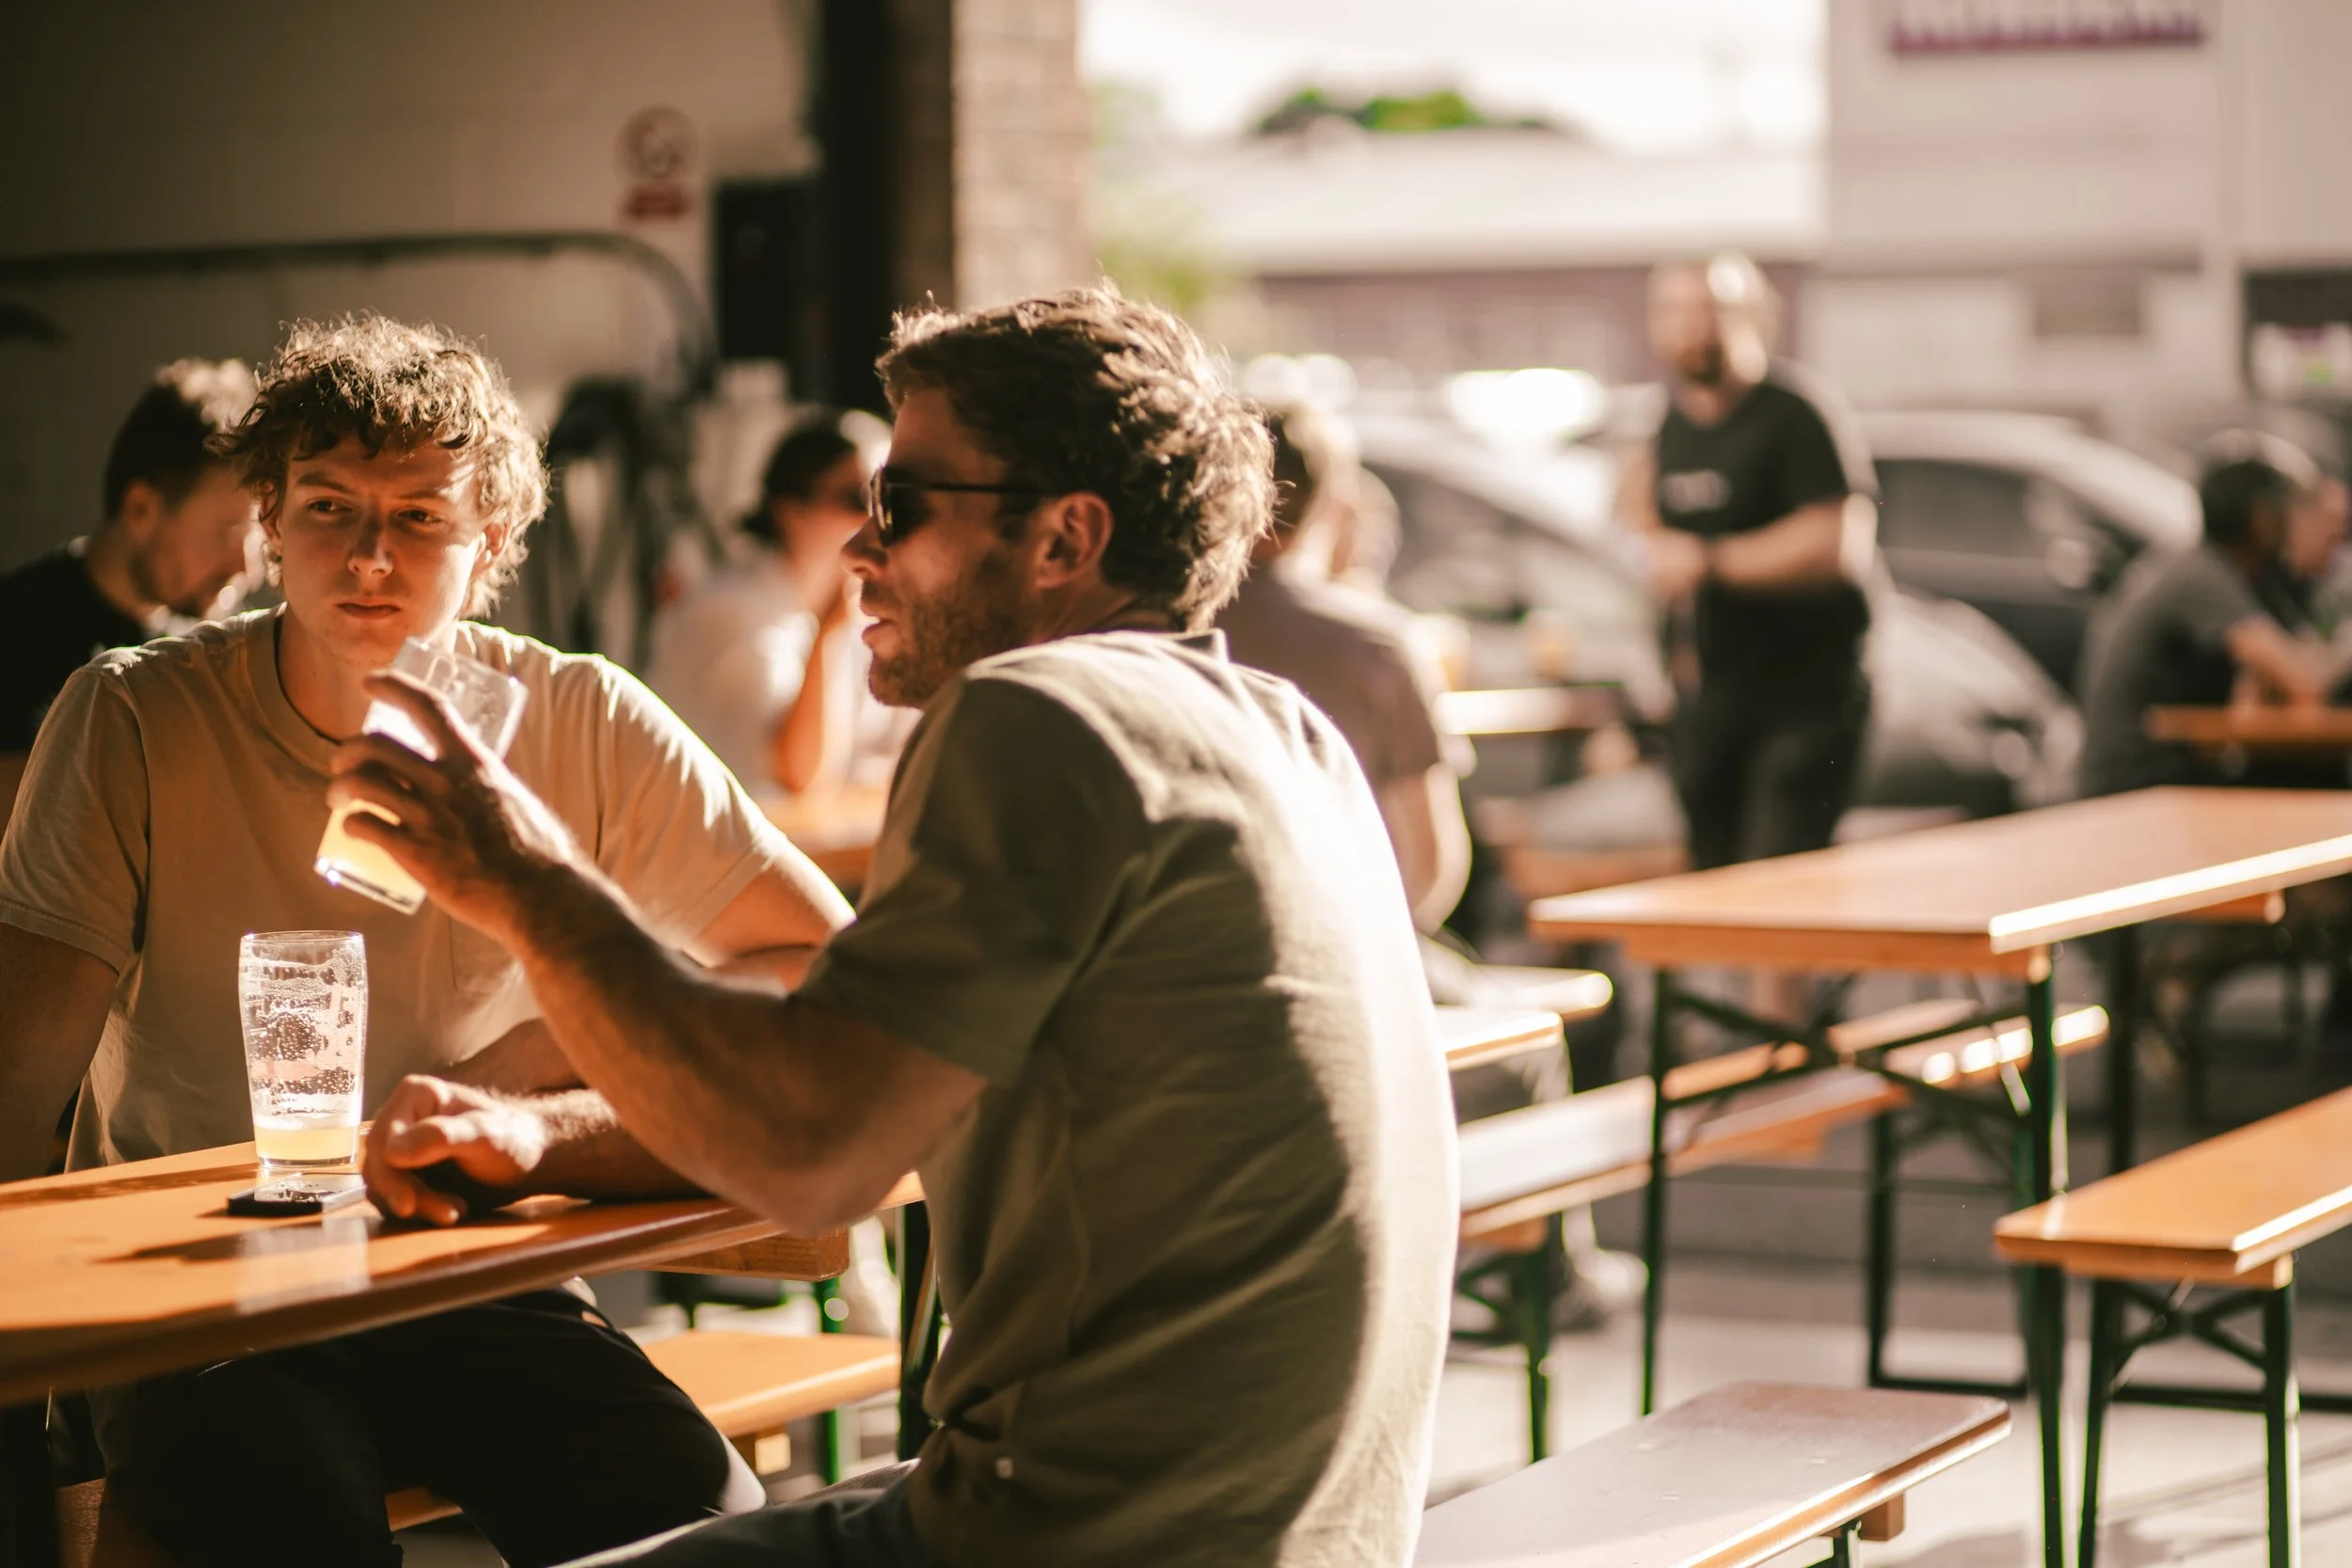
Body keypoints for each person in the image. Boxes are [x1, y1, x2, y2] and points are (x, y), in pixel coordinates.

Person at [324, 287, 1457, 1568]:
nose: (858, 551)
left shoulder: (1041, 714)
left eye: (903, 505)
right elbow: (841, 1079)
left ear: (1064, 536)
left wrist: (529, 879)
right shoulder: (1288, 732)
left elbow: (815, 1154)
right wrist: (539, 1132)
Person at [0, 315, 856, 1567]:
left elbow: (831, 976)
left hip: (467, 1271)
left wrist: (550, 1045)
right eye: (330, 507)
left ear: (492, 542)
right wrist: (46, 1403)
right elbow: (19, 1081)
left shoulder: (579, 717)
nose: (367, 554)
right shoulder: (135, 713)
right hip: (201, 1295)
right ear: (268, 526)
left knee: (710, 1534)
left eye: (419, 516)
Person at [1624, 254, 1873, 871]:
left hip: (1803, 697)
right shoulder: (1668, 427)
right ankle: (1714, 974)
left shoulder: (1796, 413)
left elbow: (1837, 544)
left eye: (1711, 310)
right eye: (1677, 311)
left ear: (1754, 318)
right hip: (1712, 699)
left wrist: (1711, 561)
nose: (1695, 328)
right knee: (1714, 876)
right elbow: (1640, 531)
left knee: (1779, 875)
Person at [1219, 401, 1471, 934]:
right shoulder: (1377, 643)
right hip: (1354, 948)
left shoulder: (1155, 628)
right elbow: (1431, 867)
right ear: (1331, 502)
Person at [0, 358, 261, 831]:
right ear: (141, 509)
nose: (246, 568)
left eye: (256, 537)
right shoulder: (16, 627)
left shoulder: (215, 643)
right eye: (227, 534)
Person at [646, 409, 904, 794]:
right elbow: (798, 773)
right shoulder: (727, 613)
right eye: (859, 498)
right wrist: (829, 634)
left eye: (890, 501)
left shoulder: (842, 612)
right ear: (792, 512)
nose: (877, 521)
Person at [2077, 452, 2343, 799]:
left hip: (2168, 769)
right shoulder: (2202, 578)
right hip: (2136, 781)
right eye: (2289, 511)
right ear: (2264, 517)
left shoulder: (2222, 571)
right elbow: (2302, 681)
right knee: (2310, 787)